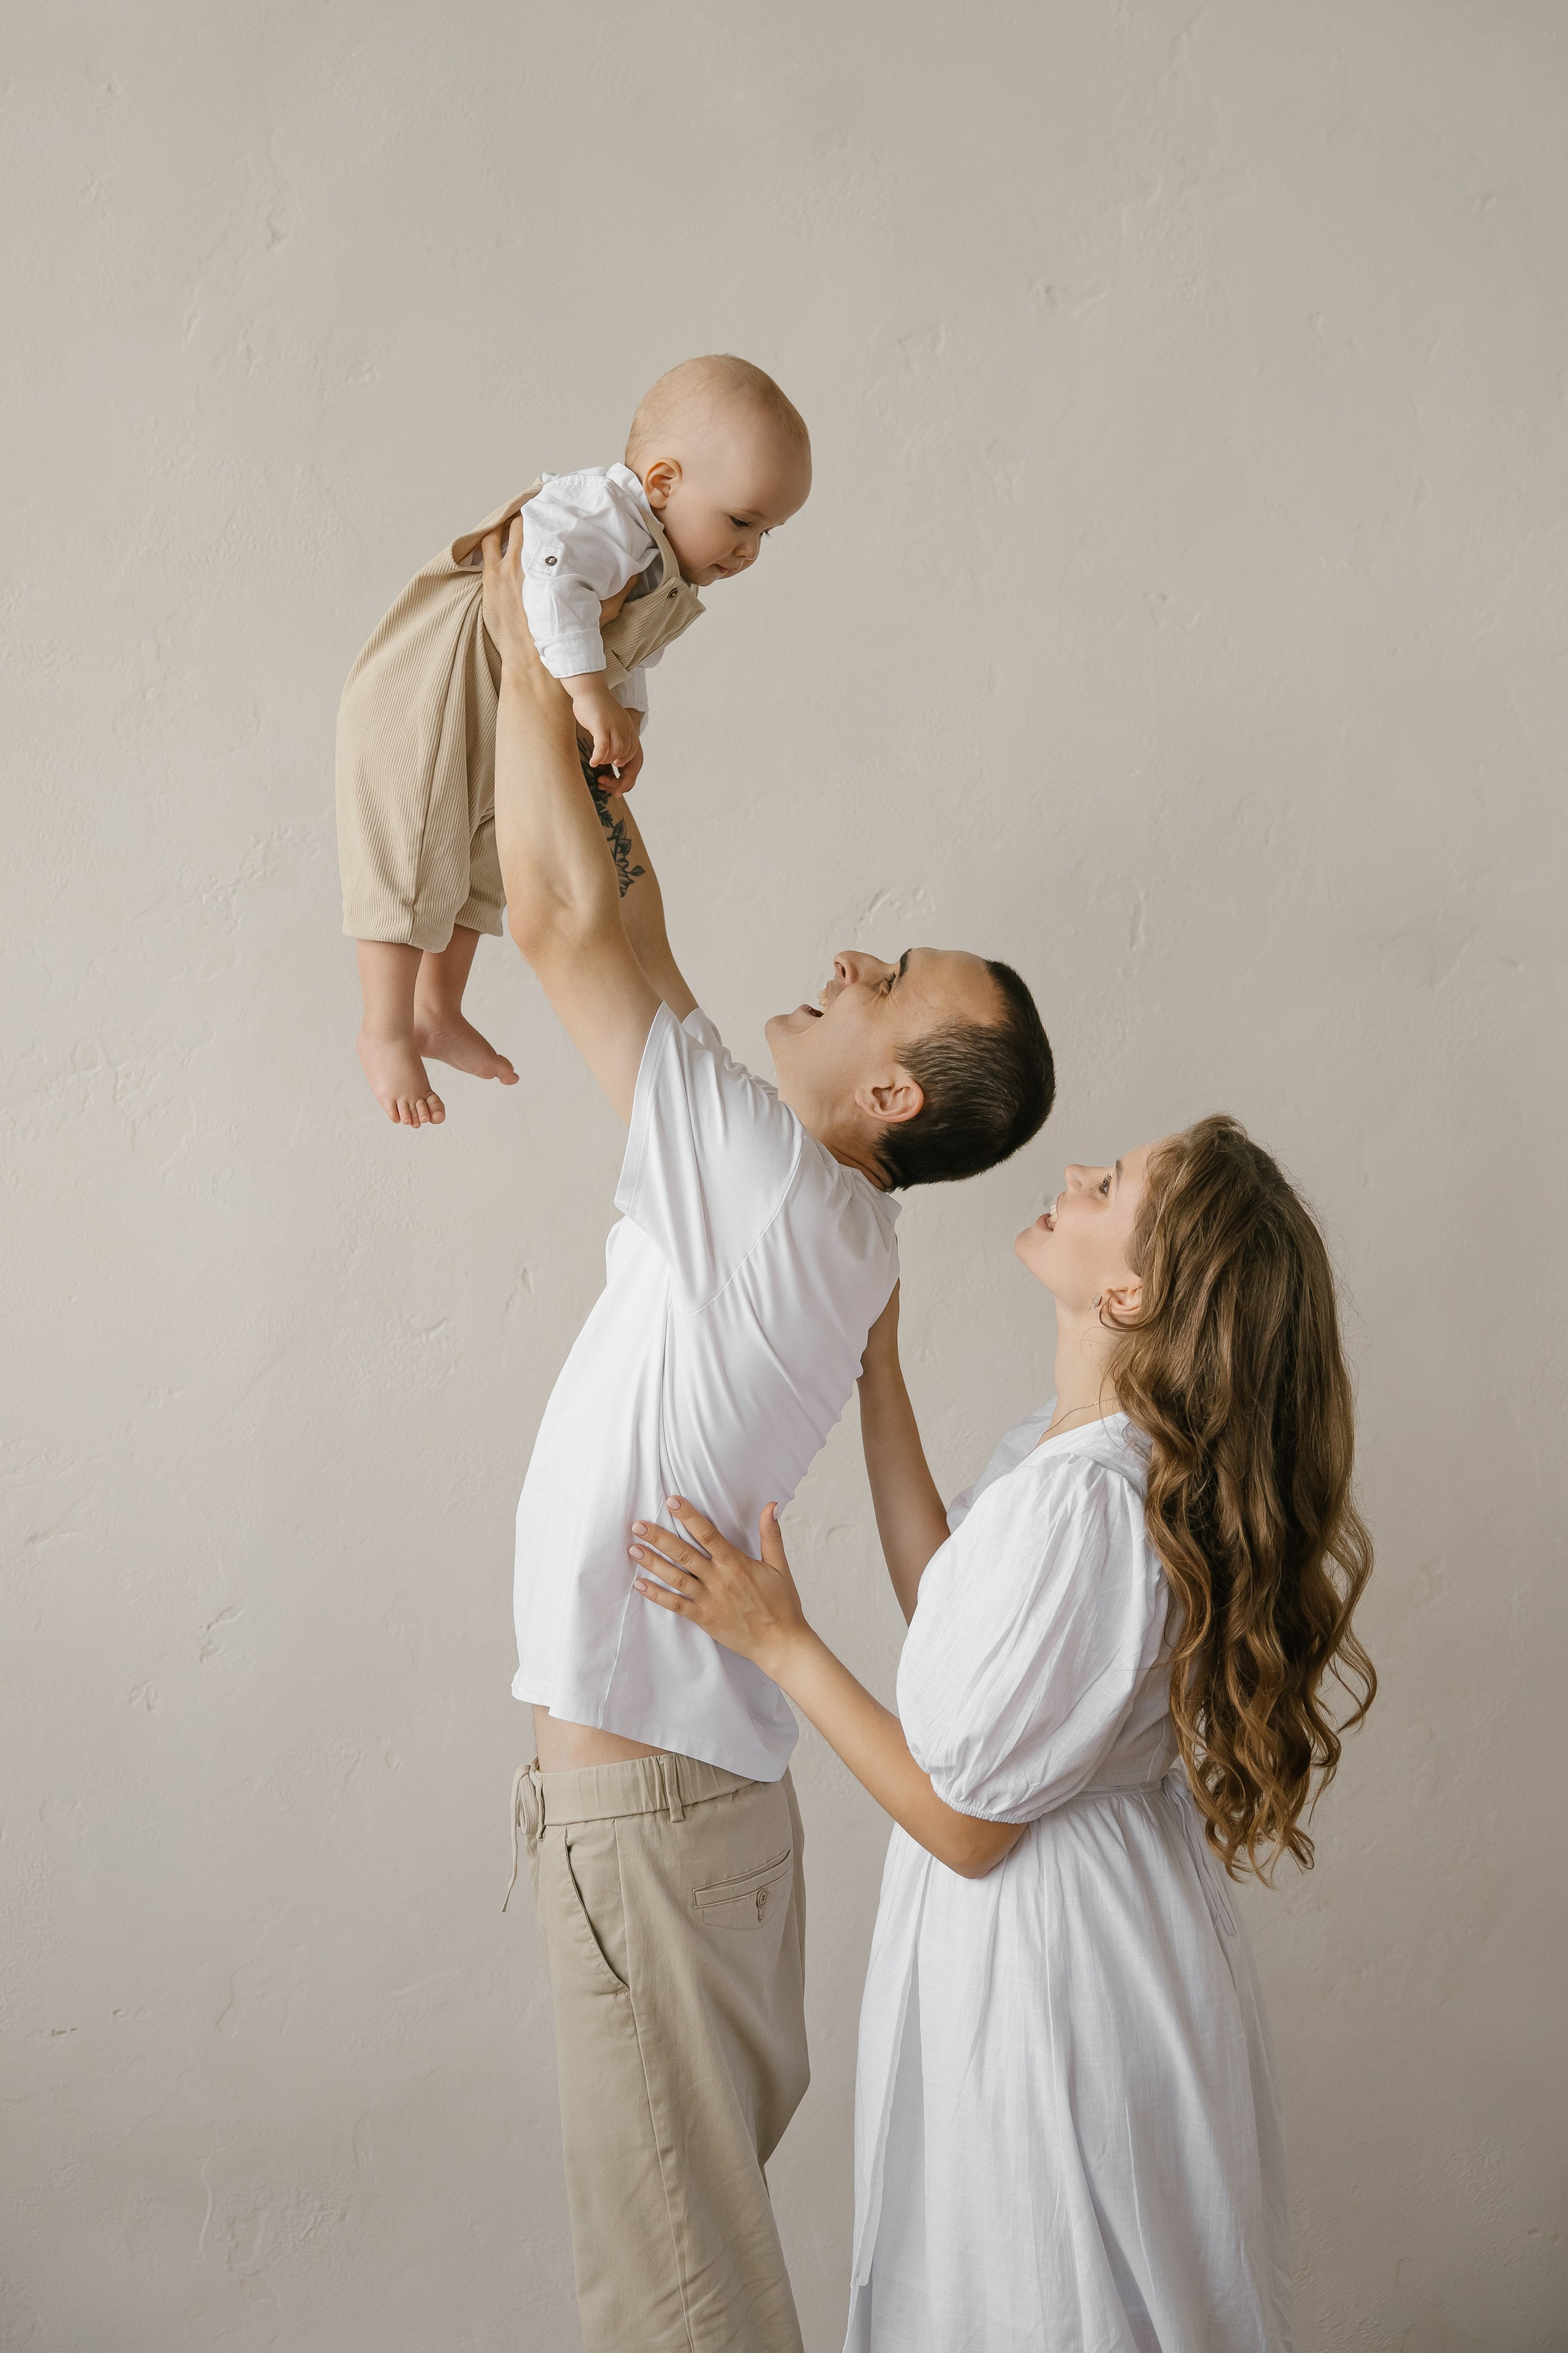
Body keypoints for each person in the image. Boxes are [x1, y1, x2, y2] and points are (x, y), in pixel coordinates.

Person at [480, 516, 1055, 2353]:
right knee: (691, 2262)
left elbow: (565, 924)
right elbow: (633, 920)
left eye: (883, 973)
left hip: (646, 1806)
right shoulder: (832, 1223)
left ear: (887, 1089)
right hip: (696, 1800)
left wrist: (518, 640)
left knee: (677, 2302)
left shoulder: (763, 1181)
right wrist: (600, 735)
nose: (844, 952)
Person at [631, 1116, 1377, 2353]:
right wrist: (881, 1365)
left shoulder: (1091, 1504)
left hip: (1051, 1958)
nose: (1078, 1173)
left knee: (1041, 2284)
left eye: (1115, 1183)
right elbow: (953, 1615)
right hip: (1051, 1931)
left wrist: (779, 1642)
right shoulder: (1064, 1457)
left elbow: (967, 1823)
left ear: (1129, 1290)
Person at [336, 355, 812, 1128]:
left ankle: (436, 1008)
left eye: (767, 533)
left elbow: (620, 660)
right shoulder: (600, 516)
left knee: (488, 857)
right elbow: (549, 588)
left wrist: (620, 727)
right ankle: (384, 1029)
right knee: (416, 846)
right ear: (661, 484)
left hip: (511, 709)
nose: (750, 550)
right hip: (438, 688)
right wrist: (591, 698)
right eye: (741, 521)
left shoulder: (659, 564)